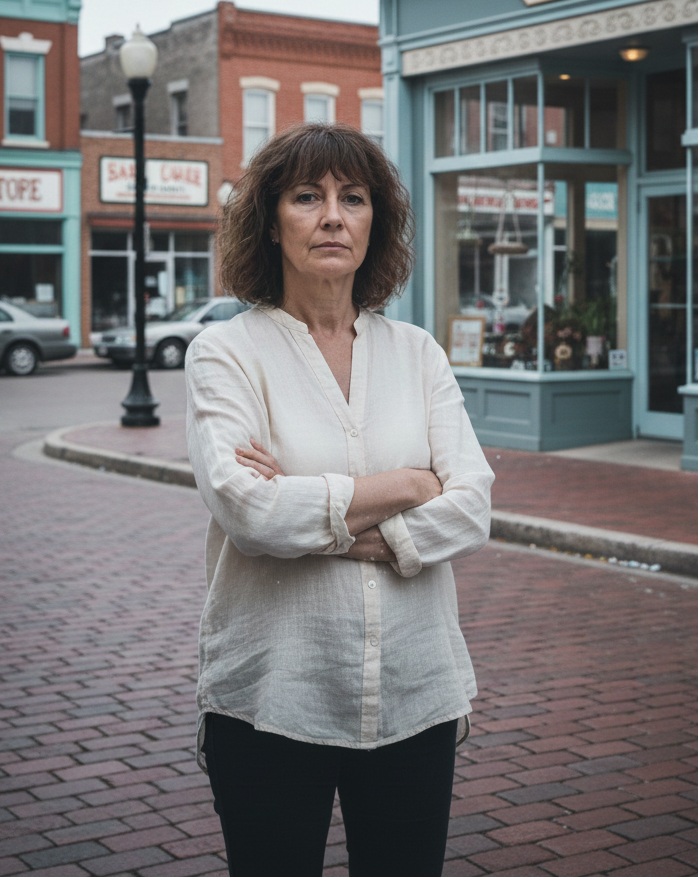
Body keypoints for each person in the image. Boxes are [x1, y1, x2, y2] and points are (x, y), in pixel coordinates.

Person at [185, 122, 494, 877]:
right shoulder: (226, 353)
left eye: (353, 199)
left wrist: (315, 512)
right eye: (306, 197)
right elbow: (246, 508)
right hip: (273, 697)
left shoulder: (416, 353)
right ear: (270, 221)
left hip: (414, 694)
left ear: (374, 223)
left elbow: (474, 503)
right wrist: (409, 486)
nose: (332, 215)